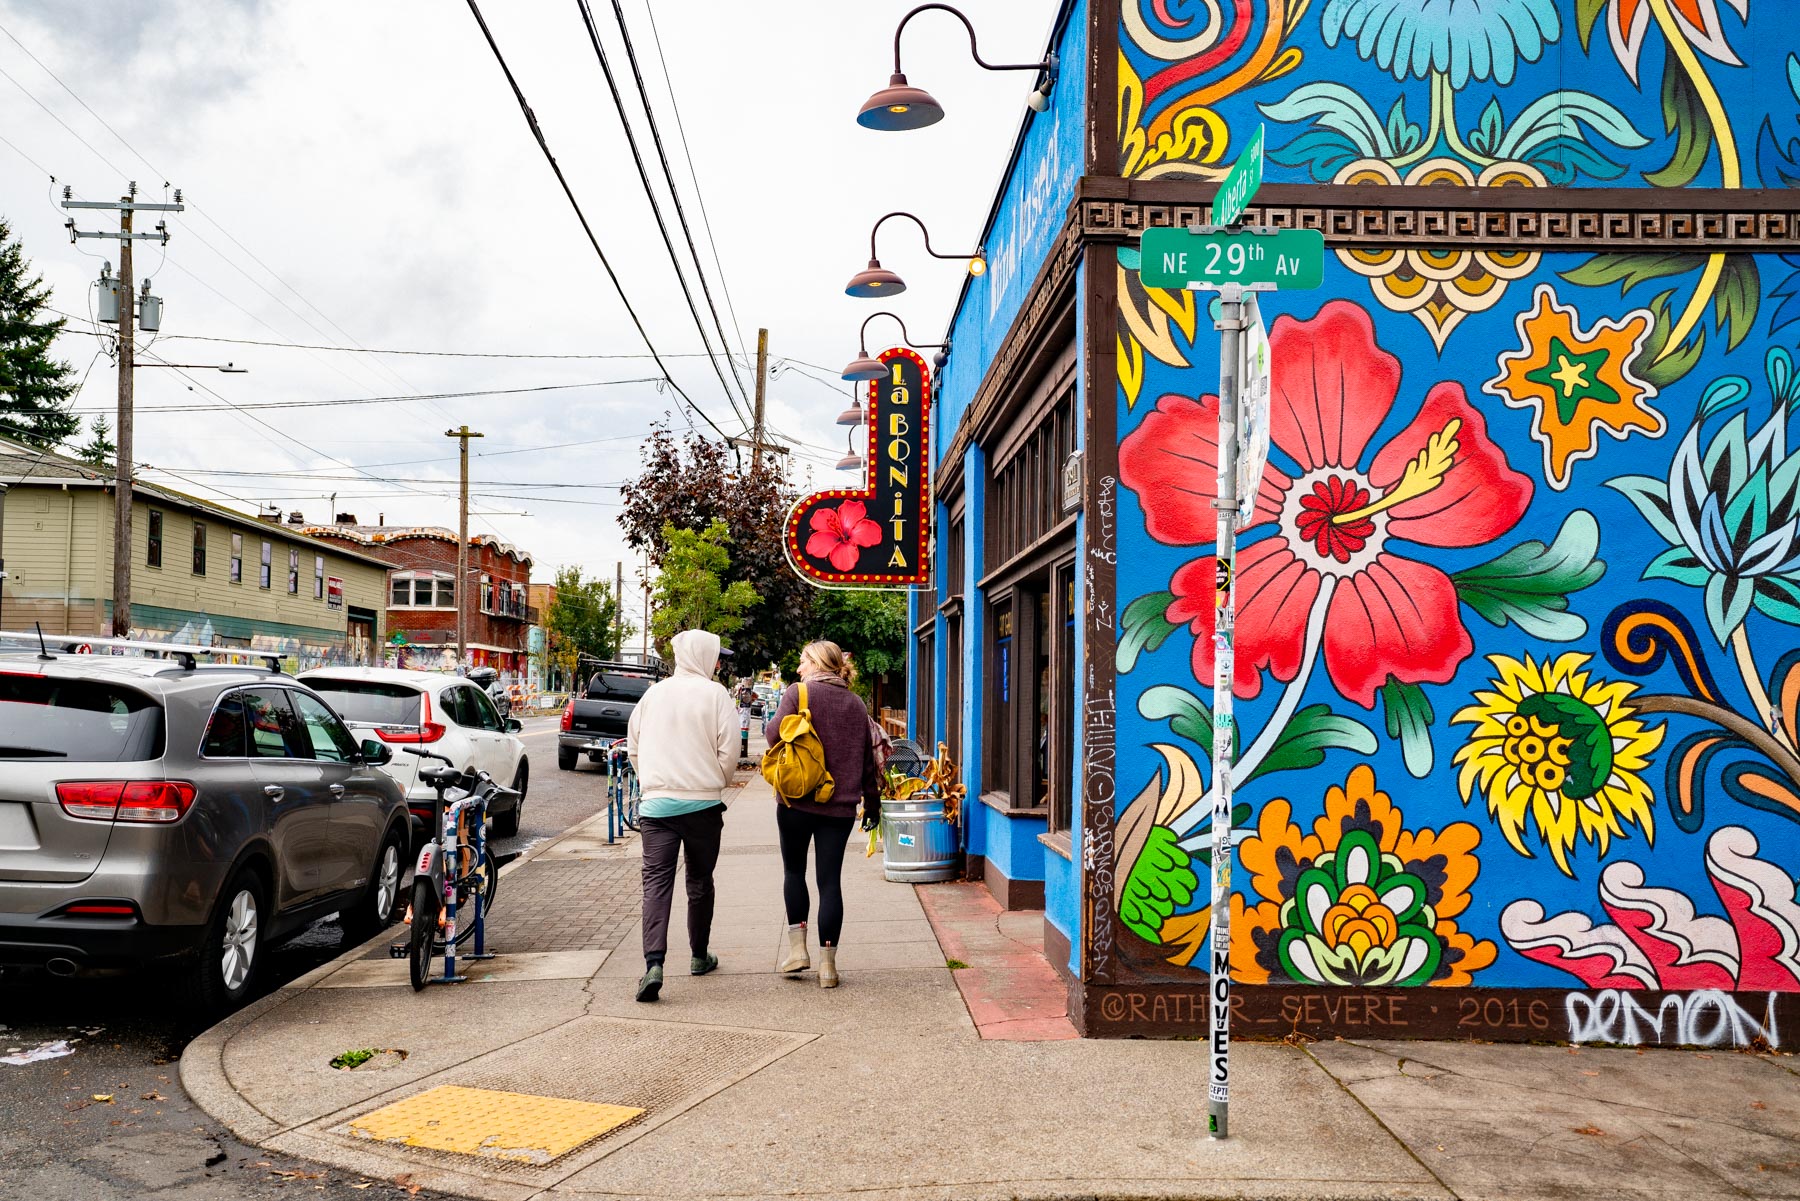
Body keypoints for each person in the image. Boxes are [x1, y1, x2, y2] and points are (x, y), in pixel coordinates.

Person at [625, 629, 738, 1003]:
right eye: (716, 655)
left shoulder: (653, 694)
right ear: (704, 656)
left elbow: (634, 747)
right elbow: (729, 751)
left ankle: (653, 963)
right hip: (703, 806)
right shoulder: (716, 694)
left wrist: (653, 783)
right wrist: (715, 782)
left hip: (657, 807)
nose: (719, 662)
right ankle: (698, 955)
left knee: (656, 884)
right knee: (700, 881)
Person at [763, 640, 879, 989]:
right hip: (840, 808)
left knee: (794, 871)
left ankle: (798, 951)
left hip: (796, 802)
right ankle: (828, 967)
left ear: (816, 663)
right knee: (830, 882)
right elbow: (867, 763)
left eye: (803, 661)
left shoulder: (798, 694)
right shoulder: (857, 704)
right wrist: (871, 805)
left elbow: (772, 736)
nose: (799, 668)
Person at [733, 677, 756, 763]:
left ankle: (743, 752)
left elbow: (755, 697)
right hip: (742, 717)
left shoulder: (746, 694)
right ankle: (742, 751)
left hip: (744, 718)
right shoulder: (740, 693)